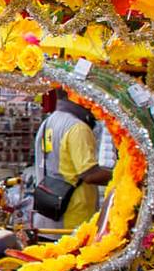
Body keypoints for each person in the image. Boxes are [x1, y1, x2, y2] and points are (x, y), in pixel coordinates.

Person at [33, 92, 111, 230]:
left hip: (48, 214)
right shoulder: (78, 127)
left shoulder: (49, 121)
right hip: (72, 217)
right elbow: (90, 175)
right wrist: (124, 176)